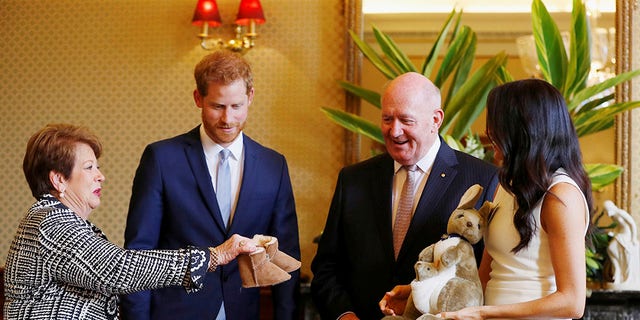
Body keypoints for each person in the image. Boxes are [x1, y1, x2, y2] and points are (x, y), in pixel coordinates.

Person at [382, 78, 594, 319]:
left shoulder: (561, 196)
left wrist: (484, 313)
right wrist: (418, 292)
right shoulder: (506, 186)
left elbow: (572, 302)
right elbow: (481, 277)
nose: (488, 132)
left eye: (496, 123)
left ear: (523, 129)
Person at [4, 123, 257, 320]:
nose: (100, 176)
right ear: (59, 179)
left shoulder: (58, 221)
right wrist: (214, 256)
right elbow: (118, 269)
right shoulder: (50, 223)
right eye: (90, 167)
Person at [120, 50, 300, 320]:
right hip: (174, 312)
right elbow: (139, 254)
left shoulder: (274, 165)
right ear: (198, 98)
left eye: (237, 106)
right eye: (217, 106)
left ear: (250, 97)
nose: (227, 119)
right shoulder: (161, 158)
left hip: (244, 311)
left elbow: (285, 254)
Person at [311, 71, 499, 320]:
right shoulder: (354, 179)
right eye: (387, 119)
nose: (394, 131)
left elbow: (484, 274)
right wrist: (345, 316)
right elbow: (326, 267)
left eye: (406, 121)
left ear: (436, 119)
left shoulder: (481, 178)